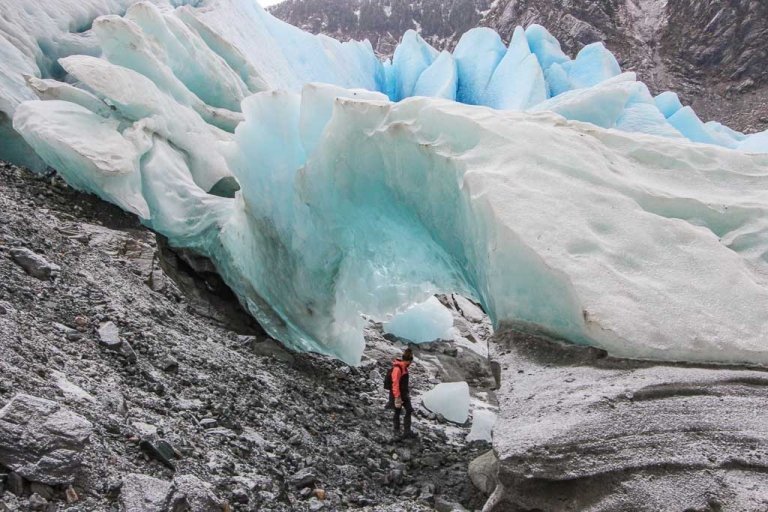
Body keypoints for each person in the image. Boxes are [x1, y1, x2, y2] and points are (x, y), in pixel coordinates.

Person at [390, 348, 415, 439]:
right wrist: (397, 397)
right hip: (398, 394)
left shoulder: (404, 368)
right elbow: (395, 383)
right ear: (408, 361)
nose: (410, 365)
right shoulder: (398, 368)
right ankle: (396, 431)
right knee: (397, 411)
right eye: (410, 363)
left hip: (404, 394)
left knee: (409, 410)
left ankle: (407, 432)